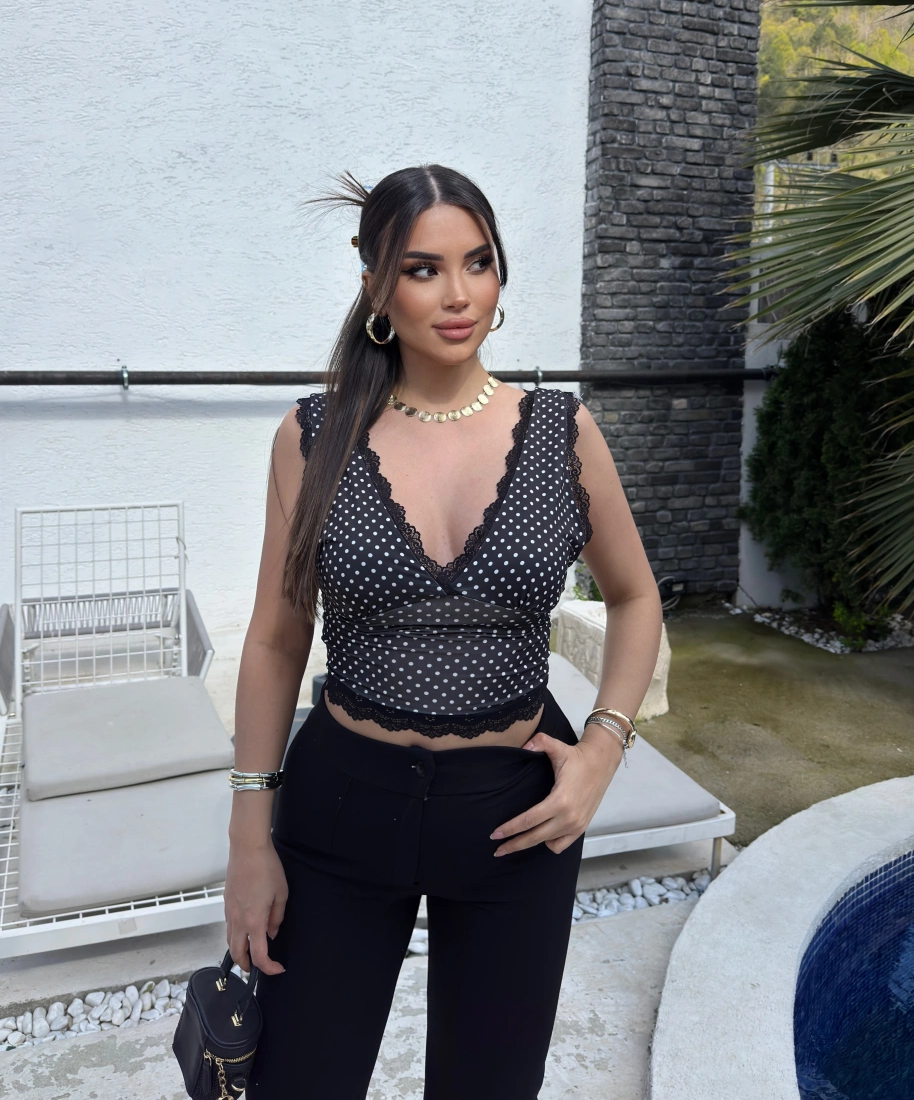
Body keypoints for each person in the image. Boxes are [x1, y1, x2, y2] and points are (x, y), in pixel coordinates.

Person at [226, 165, 663, 1100]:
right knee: (298, 1081)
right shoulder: (313, 436)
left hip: (517, 817)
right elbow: (275, 640)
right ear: (376, 288)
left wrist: (602, 748)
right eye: (423, 269)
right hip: (341, 808)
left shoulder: (562, 430)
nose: (459, 294)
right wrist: (249, 842)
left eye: (479, 262)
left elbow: (635, 597)